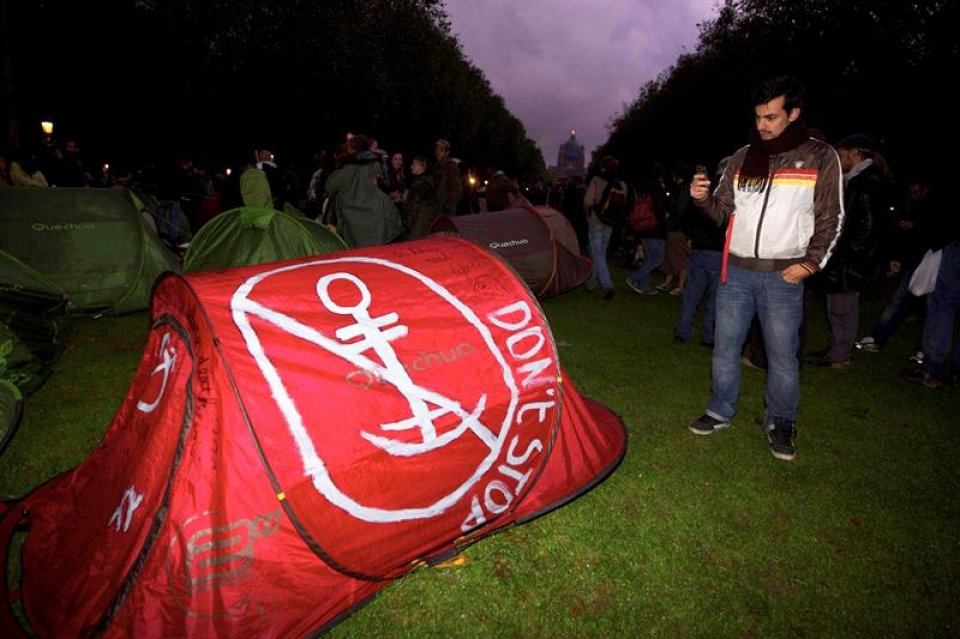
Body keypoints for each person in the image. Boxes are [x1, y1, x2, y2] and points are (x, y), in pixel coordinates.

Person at [687, 76, 844, 461]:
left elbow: (831, 217)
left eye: (771, 117)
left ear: (794, 113)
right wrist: (702, 199)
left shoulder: (821, 157)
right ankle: (720, 409)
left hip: (783, 275)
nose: (762, 125)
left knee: (782, 356)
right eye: (758, 117)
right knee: (725, 349)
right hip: (737, 272)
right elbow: (723, 212)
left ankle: (781, 422)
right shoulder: (743, 156)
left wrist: (810, 263)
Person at [807, 133, 892, 368]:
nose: (839, 159)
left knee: (843, 306)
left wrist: (844, 255)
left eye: (843, 155)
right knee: (837, 304)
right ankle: (837, 348)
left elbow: (867, 226)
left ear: (856, 153)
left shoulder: (867, 182)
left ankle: (839, 354)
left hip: (852, 261)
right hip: (851, 258)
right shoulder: (860, 179)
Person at [583, 155, 625, 300]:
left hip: (596, 221)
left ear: (603, 166)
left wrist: (588, 211)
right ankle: (591, 283)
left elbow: (588, 201)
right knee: (600, 253)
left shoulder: (596, 180)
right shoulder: (621, 184)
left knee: (597, 253)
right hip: (611, 223)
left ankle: (607, 284)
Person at [624, 163, 670, 295]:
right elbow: (659, 209)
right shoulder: (658, 189)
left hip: (643, 225)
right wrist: (665, 219)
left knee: (649, 257)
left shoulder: (643, 187)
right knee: (658, 257)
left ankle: (643, 287)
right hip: (655, 227)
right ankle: (633, 278)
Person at [405, 154, 440, 239]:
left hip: (417, 227)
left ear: (421, 167)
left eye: (414, 164)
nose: (411, 166)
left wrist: (408, 224)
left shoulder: (419, 185)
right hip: (426, 224)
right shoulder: (430, 182)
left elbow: (414, 208)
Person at [433, 139, 462, 216]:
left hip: (446, 213)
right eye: (436, 150)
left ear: (447, 152)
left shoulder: (451, 167)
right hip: (436, 211)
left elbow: (457, 191)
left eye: (441, 151)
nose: (437, 153)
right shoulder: (437, 167)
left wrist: (447, 206)